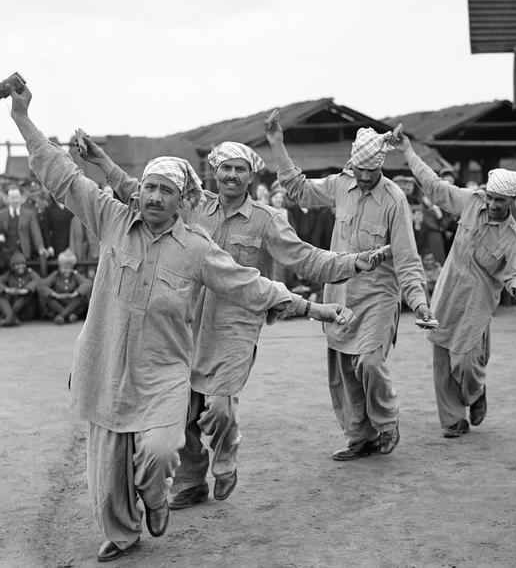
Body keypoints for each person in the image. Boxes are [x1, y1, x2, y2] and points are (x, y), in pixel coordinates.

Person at [6, 83, 353, 562]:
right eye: (148, 186)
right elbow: (60, 174)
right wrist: (22, 117)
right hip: (107, 366)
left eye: (165, 191)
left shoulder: (196, 247)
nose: (152, 196)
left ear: (182, 199)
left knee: (160, 452)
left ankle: (155, 496)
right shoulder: (109, 217)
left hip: (164, 373)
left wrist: (316, 308)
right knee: (106, 483)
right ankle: (123, 533)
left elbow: (250, 284)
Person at [80, 135, 385, 509]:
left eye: (239, 169)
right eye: (225, 168)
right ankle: (192, 481)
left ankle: (226, 454)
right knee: (185, 410)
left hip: (236, 326)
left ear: (250, 176)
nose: (231, 175)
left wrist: (353, 262)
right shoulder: (193, 206)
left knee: (220, 407)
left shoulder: (266, 220)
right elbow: (137, 191)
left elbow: (305, 258)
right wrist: (102, 161)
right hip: (188, 325)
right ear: (215, 172)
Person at [270, 115, 433, 460]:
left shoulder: (393, 200)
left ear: (381, 166)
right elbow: (299, 189)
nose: (363, 177)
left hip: (378, 296)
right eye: (358, 170)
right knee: (344, 369)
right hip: (341, 293)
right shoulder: (338, 185)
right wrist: (277, 144)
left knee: (370, 363)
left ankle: (387, 423)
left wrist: (418, 302)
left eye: (370, 172)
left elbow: (407, 258)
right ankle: (359, 436)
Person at [402, 135, 516, 436]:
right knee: (442, 358)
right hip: (447, 293)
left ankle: (476, 392)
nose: (493, 204)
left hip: (477, 304)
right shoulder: (471, 202)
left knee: (467, 362)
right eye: (491, 197)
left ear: (511, 201)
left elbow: (515, 279)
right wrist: (408, 151)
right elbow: (434, 187)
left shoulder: (513, 237)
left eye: (500, 201)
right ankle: (453, 420)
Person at [38, 248, 92, 323]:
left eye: (69, 267)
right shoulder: (56, 274)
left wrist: (76, 293)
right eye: (64, 267)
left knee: (80, 299)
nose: (67, 270)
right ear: (60, 266)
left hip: (72, 301)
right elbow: (42, 286)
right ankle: (70, 316)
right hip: (59, 301)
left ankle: (61, 316)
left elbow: (88, 283)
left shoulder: (75, 274)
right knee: (49, 299)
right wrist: (55, 294)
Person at [0, 184, 47, 264]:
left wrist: (40, 248)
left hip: (24, 252)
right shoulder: (1, 214)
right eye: (12, 198)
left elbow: (36, 233)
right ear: (8, 199)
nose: (15, 200)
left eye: (17, 197)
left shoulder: (29, 214)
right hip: (5, 254)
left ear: (21, 198)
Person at [0, 251, 40, 326]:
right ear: (12, 266)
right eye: (17, 265)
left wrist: (26, 289)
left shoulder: (30, 272)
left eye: (22, 264)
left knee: (24, 297)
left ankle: (9, 319)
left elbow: (37, 280)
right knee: (1, 296)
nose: (20, 266)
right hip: (12, 305)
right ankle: (11, 318)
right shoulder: (9, 274)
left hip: (25, 309)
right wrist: (6, 289)